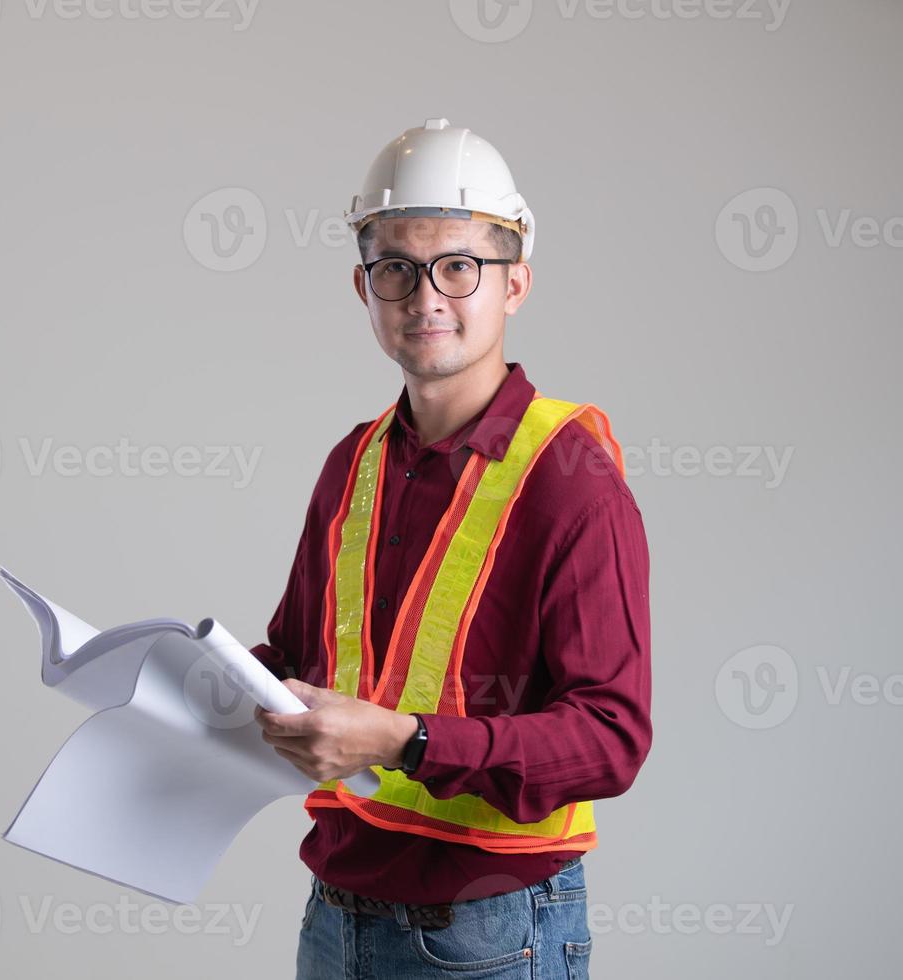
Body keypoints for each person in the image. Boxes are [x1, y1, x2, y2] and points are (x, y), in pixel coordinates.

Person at [249, 118, 653, 979]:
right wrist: (186, 681)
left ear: (516, 284)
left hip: (490, 933)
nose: (426, 296)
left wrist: (407, 742)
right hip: (336, 920)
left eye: (459, 265)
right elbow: (293, 657)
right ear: (364, 287)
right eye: (396, 266)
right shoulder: (351, 464)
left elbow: (610, 737)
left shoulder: (572, 477)